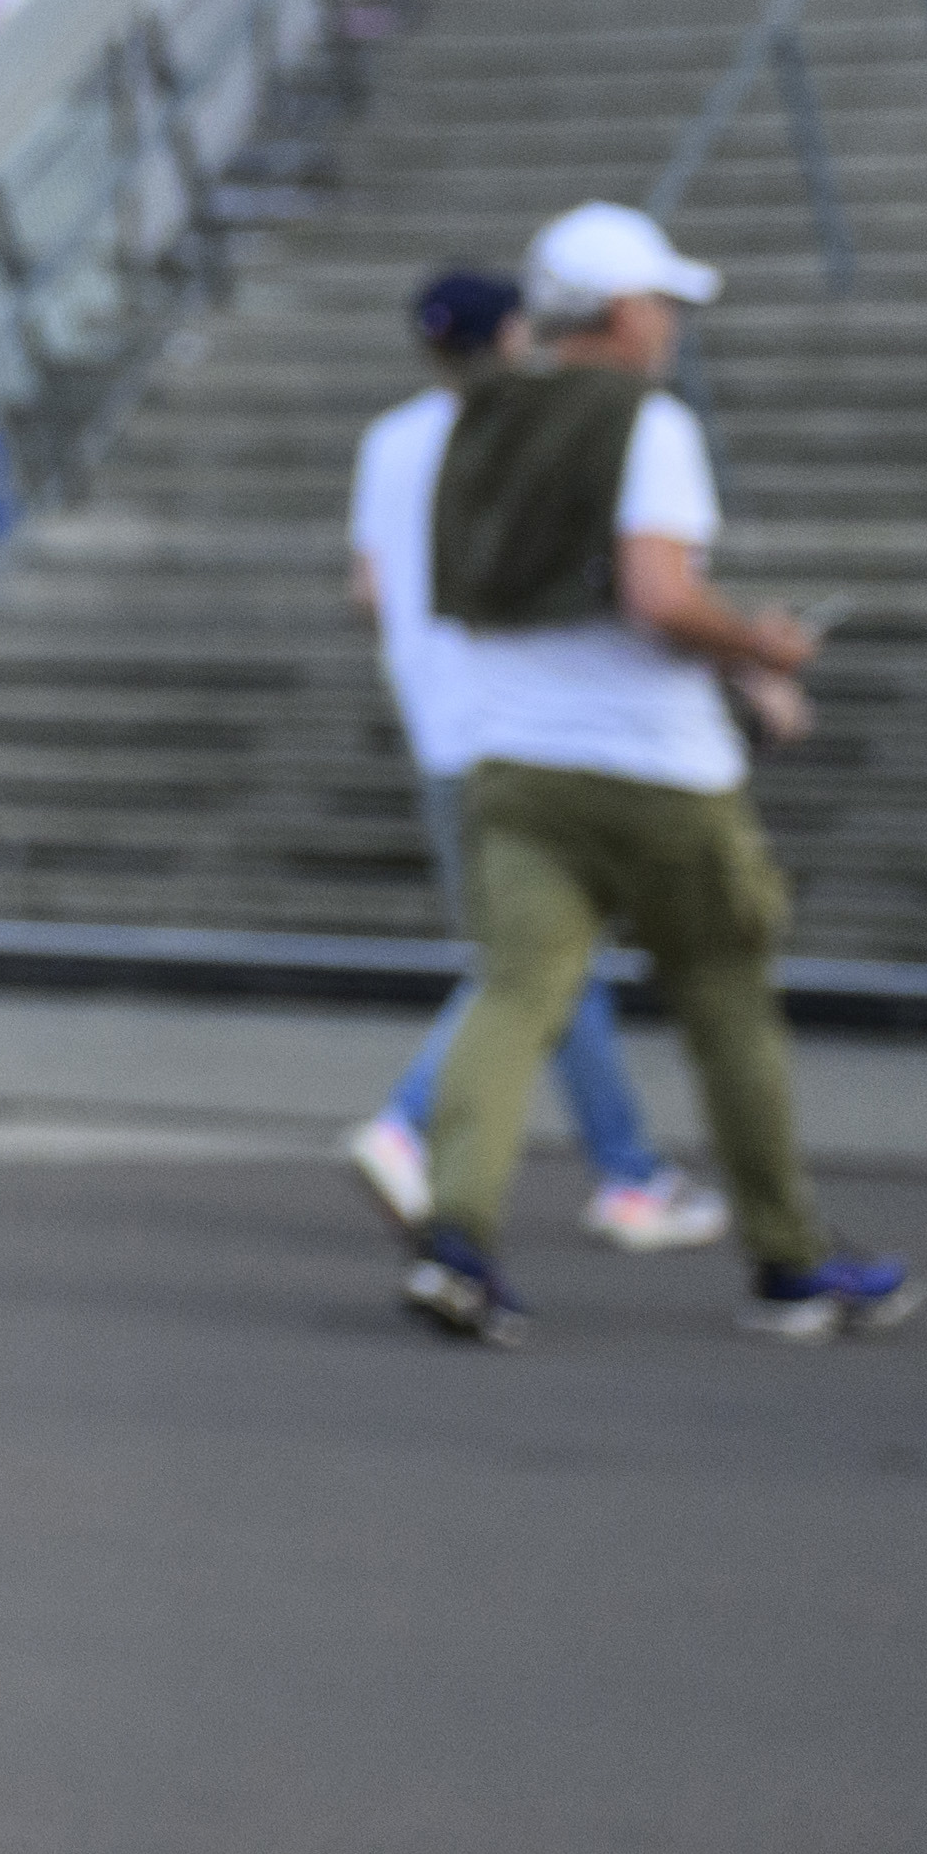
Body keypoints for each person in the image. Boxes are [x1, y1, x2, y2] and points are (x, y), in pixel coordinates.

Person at [391, 198, 909, 1349]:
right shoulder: (647, 420)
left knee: (516, 993)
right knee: (727, 1001)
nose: (670, 323)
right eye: (662, 302)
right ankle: (791, 1263)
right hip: (655, 767)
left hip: (512, 756)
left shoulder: (477, 419)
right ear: (623, 310)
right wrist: (761, 647)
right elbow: (658, 595)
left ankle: (460, 1236)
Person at [336, 267, 713, 1259]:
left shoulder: (387, 438)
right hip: (527, 719)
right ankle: (414, 1123)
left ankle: (629, 1170)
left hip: (438, 719)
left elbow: (369, 584)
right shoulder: (535, 428)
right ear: (515, 332)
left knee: (547, 954)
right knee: (536, 956)